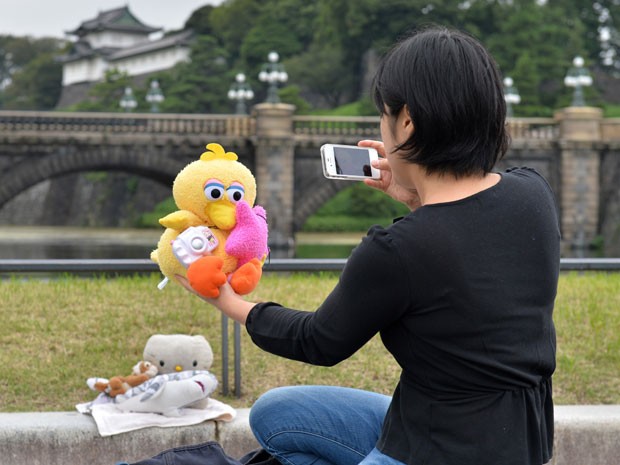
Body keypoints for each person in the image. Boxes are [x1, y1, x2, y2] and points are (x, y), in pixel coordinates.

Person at [181, 25, 560, 465]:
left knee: (287, 442)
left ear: (407, 120)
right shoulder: (533, 193)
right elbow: (468, 243)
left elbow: (318, 341)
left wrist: (227, 300)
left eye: (384, 114)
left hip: (435, 450)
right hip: (521, 442)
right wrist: (416, 197)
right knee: (276, 413)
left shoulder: (398, 249)